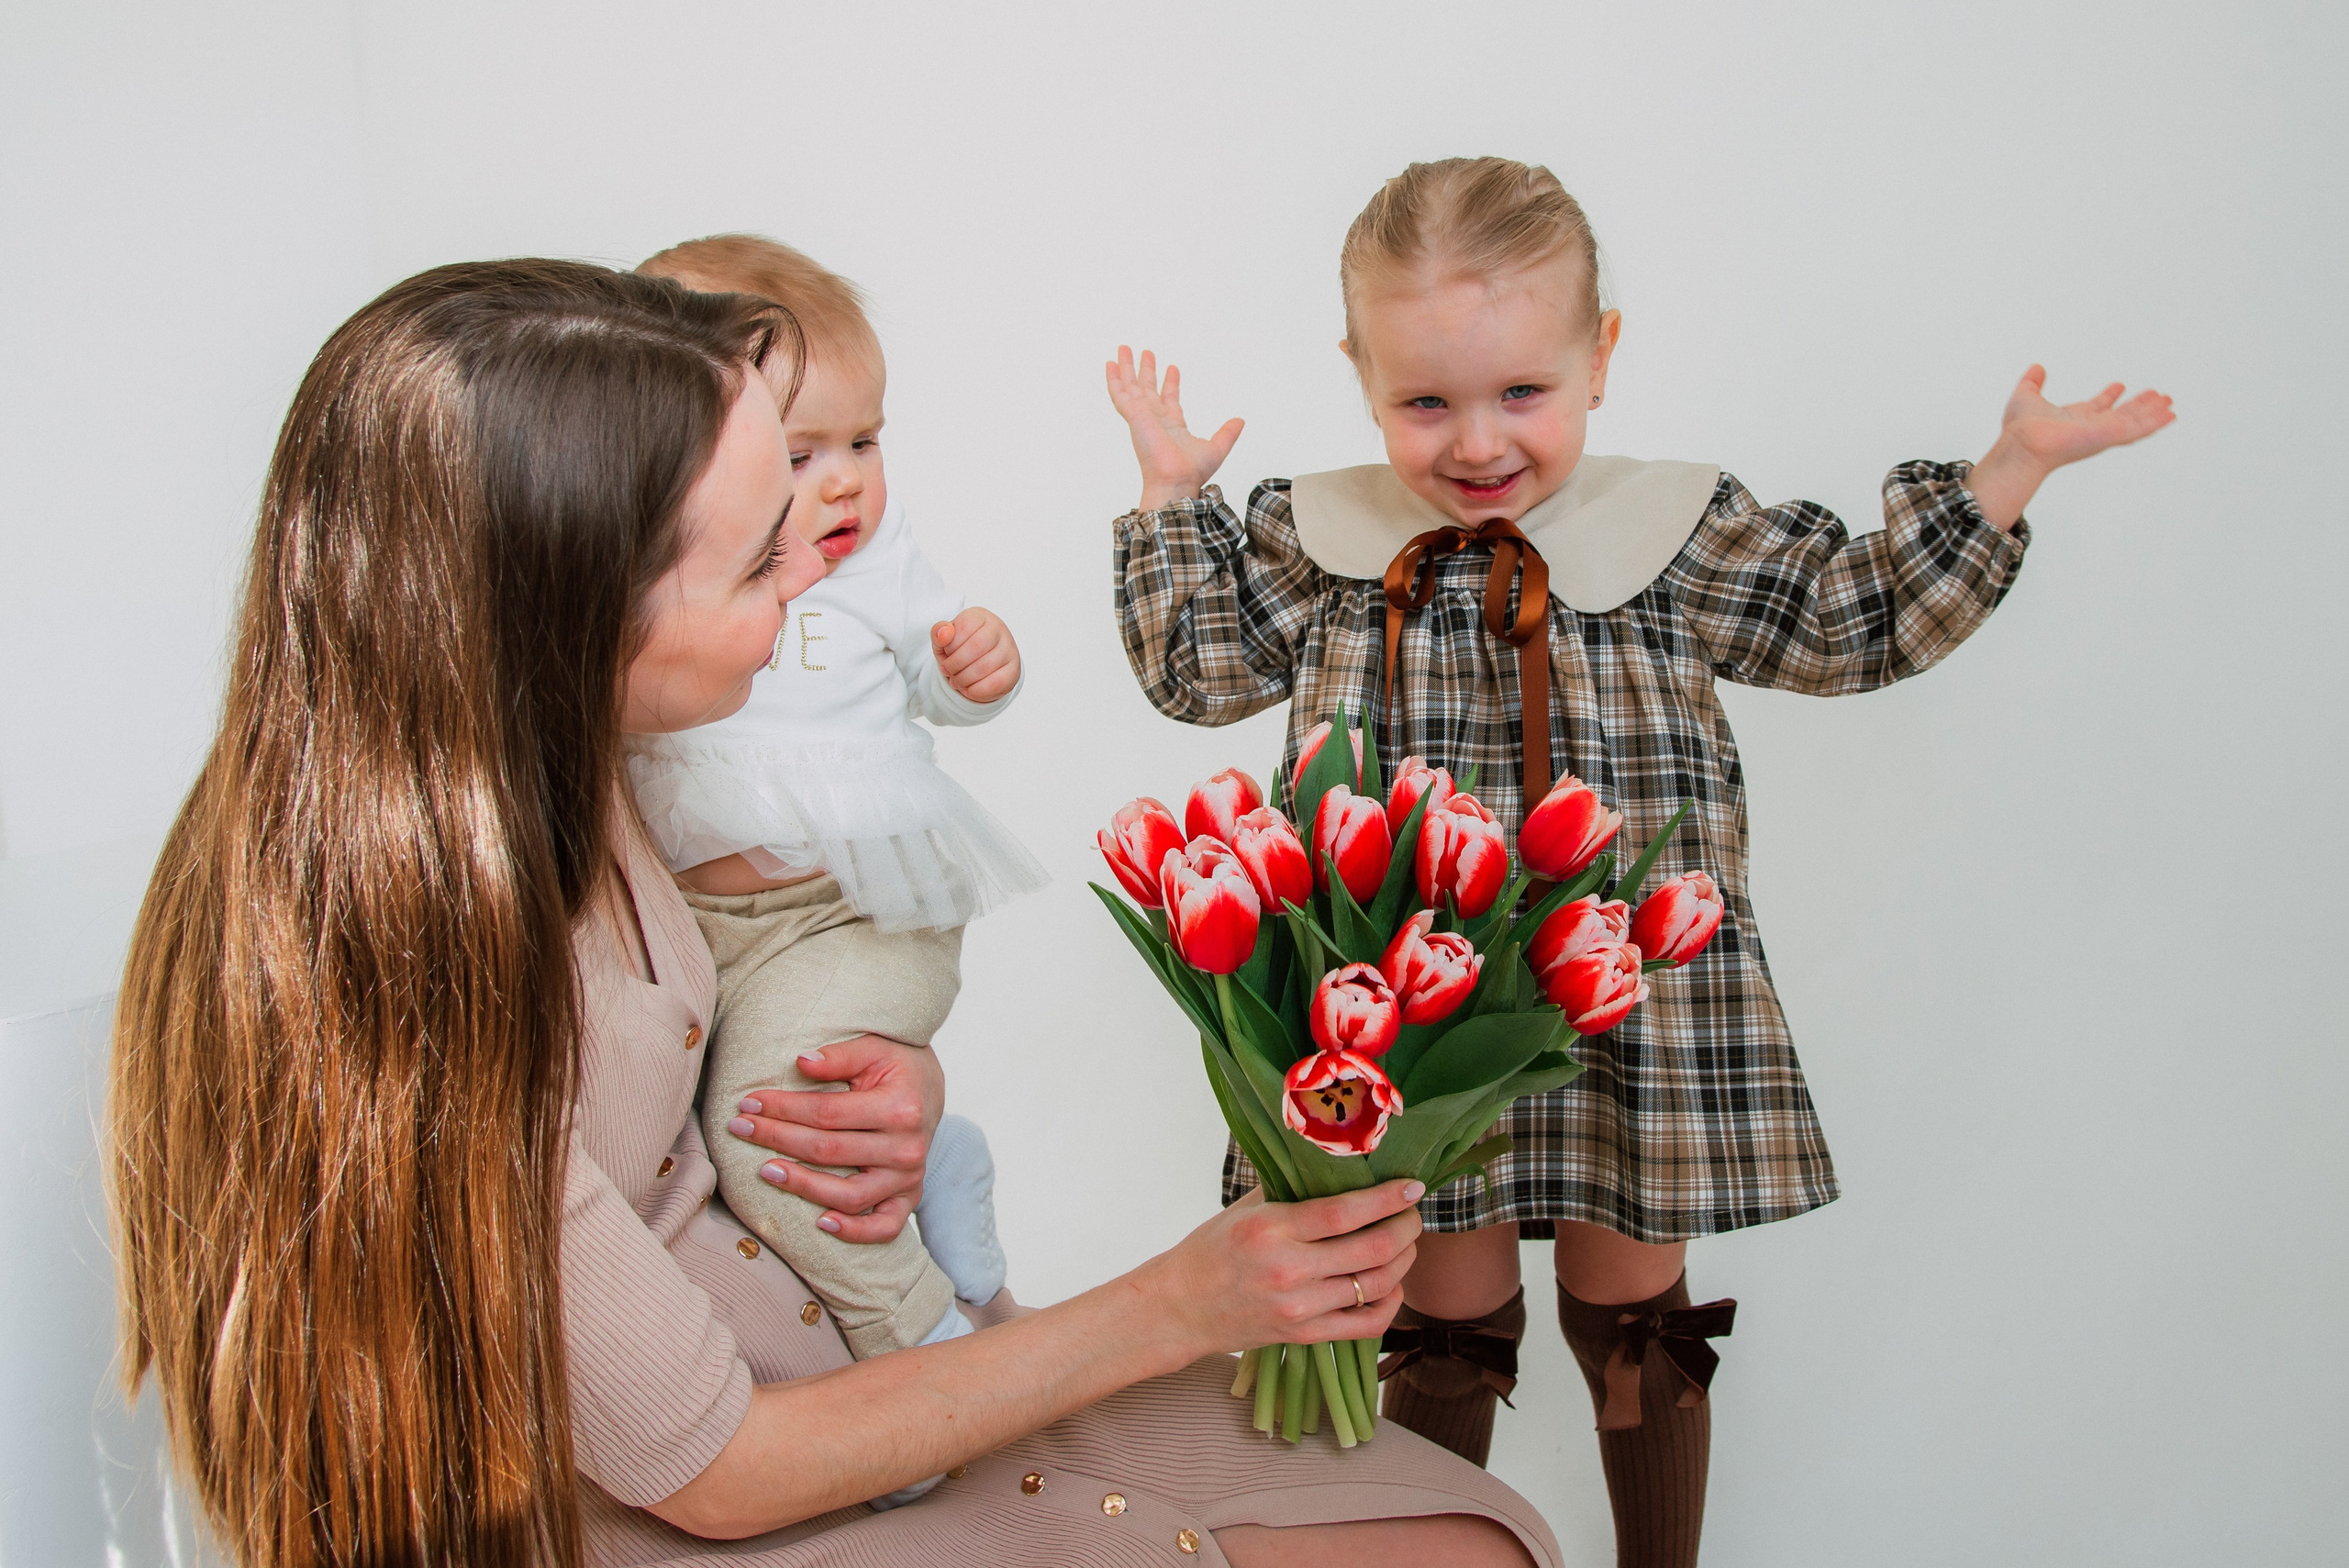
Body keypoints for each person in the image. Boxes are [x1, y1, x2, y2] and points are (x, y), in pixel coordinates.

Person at [107, 257, 1557, 1568]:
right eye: (757, 562)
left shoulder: (545, 755)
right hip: (714, 1495)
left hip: (819, 1364)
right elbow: (718, 1472)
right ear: (571, 608)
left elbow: (735, 1000)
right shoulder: (417, 1002)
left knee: (1481, 1534)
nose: (814, 575)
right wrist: (1178, 1303)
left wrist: (897, 1070)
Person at [1105, 155, 2173, 1566]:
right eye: (1425, 401)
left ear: (1599, 358)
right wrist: (1177, 498)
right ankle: (1426, 1545)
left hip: (1625, 981)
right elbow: (1197, 670)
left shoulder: (1672, 531)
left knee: (1634, 1281)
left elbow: (1846, 618)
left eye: (1520, 394)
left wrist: (2008, 471)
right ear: (1360, 376)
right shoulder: (1326, 540)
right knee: (1443, 1280)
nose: (1477, 441)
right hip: (1412, 997)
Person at [622, 237, 1041, 1509]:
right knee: (690, 1143)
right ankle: (940, 1175)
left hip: (855, 905)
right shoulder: (650, 570)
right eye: (801, 455)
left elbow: (933, 672)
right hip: (706, 921)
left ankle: (928, 1351)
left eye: (864, 440)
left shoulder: (877, 556)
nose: (845, 482)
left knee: (773, 1132)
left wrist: (978, 670)